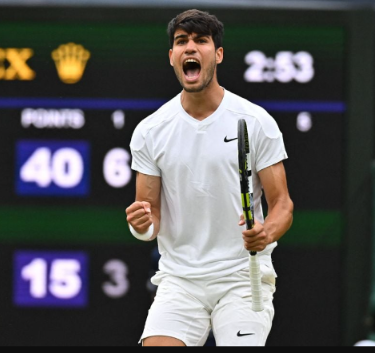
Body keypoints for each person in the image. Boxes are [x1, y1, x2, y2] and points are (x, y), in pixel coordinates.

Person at [125, 9, 294, 346]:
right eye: (181, 41)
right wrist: (140, 224)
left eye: (201, 41)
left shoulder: (256, 122)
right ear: (171, 56)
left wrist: (265, 232)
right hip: (180, 280)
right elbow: (150, 217)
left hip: (242, 278)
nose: (191, 48)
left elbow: (282, 205)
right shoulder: (150, 131)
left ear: (217, 54)